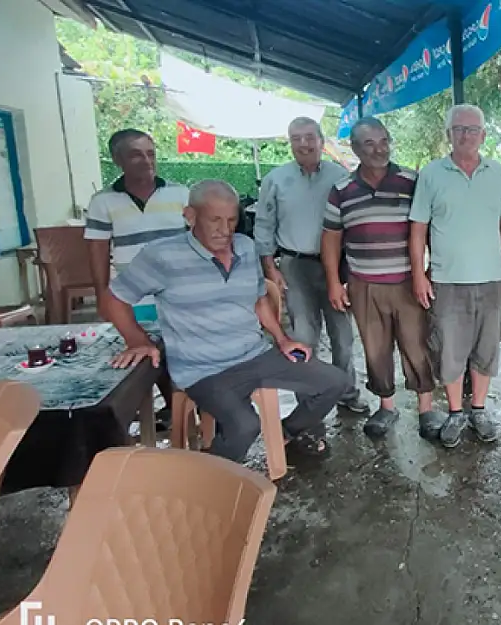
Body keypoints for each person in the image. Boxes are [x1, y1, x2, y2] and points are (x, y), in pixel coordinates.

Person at [107, 180, 351, 463]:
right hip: (204, 369)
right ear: (190, 216)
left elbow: (259, 300)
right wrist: (137, 340)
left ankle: (286, 433)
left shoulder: (245, 248)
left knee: (335, 382)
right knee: (245, 426)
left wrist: (282, 339)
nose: (225, 230)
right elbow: (115, 299)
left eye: (232, 220)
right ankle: (212, 483)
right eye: (215, 220)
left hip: (255, 354)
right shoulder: (162, 256)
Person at [322, 117, 446, 439]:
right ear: (355, 148)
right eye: (369, 143)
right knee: (375, 348)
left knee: (417, 345)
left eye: (383, 141)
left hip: (408, 281)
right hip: (364, 284)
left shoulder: (412, 180)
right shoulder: (341, 190)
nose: (378, 149)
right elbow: (331, 237)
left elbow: (427, 228)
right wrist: (335, 282)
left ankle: (426, 409)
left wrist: (430, 272)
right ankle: (386, 407)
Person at [409, 104, 501, 448]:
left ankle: (478, 409)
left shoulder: (497, 173)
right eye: (459, 129)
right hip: (447, 279)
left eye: (473, 129)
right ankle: (456, 412)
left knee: (486, 347)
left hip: (490, 279)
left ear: (483, 135)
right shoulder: (431, 174)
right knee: (450, 349)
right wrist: (418, 273)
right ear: (449, 134)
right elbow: (418, 229)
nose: (466, 135)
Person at [254, 116, 366, 414]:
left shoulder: (340, 177)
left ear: (321, 140)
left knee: (342, 336)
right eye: (296, 138)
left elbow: (353, 224)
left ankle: (347, 393)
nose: (303, 143)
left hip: (337, 267)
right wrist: (270, 268)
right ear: (290, 143)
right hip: (294, 265)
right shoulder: (275, 180)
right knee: (304, 336)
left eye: (309, 137)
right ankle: (308, 400)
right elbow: (264, 227)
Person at [84, 129, 188, 428]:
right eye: (136, 154)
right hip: (132, 296)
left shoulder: (180, 195)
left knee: (178, 354)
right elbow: (98, 251)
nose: (146, 161)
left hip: (176, 294)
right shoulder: (103, 202)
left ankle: (178, 410)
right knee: (144, 356)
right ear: (118, 160)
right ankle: (170, 410)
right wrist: (103, 294)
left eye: (150, 153)